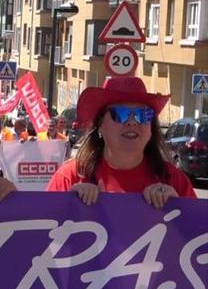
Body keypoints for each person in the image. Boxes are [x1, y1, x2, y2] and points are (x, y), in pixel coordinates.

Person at [47, 77, 196, 207]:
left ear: (151, 127)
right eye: (120, 114)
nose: (132, 122)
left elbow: (198, 235)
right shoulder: (69, 178)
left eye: (142, 114)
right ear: (100, 125)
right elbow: (41, 234)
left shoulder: (174, 180)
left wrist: (178, 207)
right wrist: (68, 205)